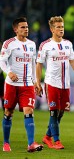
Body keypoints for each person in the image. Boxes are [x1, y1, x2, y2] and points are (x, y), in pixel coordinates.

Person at [35, 16, 74, 150]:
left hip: (65, 84)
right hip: (51, 83)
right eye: (58, 27)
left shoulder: (68, 44)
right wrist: (38, 82)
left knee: (60, 113)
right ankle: (57, 141)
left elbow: (73, 62)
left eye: (62, 27)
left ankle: (47, 137)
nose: (61, 29)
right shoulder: (45, 45)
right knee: (53, 112)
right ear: (52, 29)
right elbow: (39, 65)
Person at [0, 17, 44, 152]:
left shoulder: (32, 44)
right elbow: (2, 61)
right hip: (12, 84)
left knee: (29, 111)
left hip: (27, 85)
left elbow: (32, 64)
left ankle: (31, 144)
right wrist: (9, 72)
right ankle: (6, 143)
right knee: (8, 112)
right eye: (23, 27)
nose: (26, 29)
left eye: (27, 27)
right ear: (15, 29)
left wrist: (36, 81)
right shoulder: (9, 44)